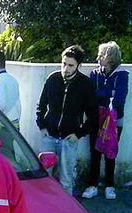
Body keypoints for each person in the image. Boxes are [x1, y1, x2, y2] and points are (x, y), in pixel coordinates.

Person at [35, 44, 97, 196]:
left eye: (71, 65)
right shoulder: (53, 79)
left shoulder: (86, 85)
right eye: (64, 64)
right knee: (43, 176)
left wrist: (79, 133)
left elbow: (93, 114)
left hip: (69, 138)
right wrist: (42, 126)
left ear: (78, 65)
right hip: (49, 135)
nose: (66, 68)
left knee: (66, 179)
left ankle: (66, 212)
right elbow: (41, 105)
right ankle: (43, 208)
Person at [83, 41, 129, 201]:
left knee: (110, 152)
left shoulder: (122, 75)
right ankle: (92, 185)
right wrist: (106, 95)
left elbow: (119, 100)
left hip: (115, 121)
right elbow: (91, 96)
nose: (97, 58)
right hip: (96, 119)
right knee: (94, 152)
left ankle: (110, 186)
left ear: (110, 58)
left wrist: (102, 96)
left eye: (101, 55)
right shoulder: (95, 74)